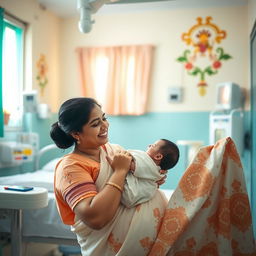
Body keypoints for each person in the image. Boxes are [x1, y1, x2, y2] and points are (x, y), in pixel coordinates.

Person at [50, 97, 168, 256]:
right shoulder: (70, 167)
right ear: (76, 134)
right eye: (95, 124)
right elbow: (96, 218)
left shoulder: (114, 150)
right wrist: (120, 172)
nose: (105, 125)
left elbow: (133, 186)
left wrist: (152, 180)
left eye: (104, 118)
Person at [121, 139, 179, 208]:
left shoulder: (148, 164)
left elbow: (128, 164)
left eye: (153, 145)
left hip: (129, 193)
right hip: (137, 196)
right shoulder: (157, 171)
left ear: (158, 156)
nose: (149, 145)